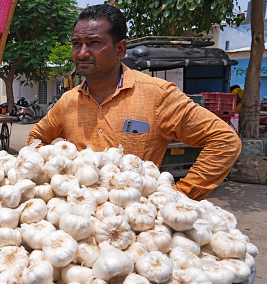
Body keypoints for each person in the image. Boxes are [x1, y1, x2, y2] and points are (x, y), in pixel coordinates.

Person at [27, 4, 241, 201]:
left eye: (94, 43)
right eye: (76, 44)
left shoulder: (157, 95)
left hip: (137, 224)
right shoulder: (68, 101)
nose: (82, 53)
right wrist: (52, 176)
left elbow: (224, 141)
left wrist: (180, 195)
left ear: (120, 49)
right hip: (78, 217)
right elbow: (36, 138)